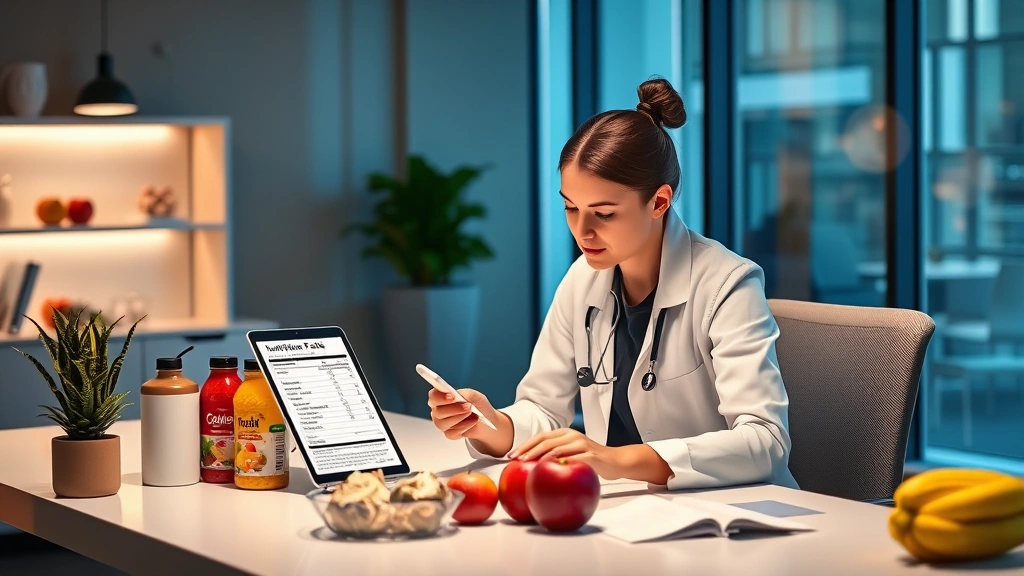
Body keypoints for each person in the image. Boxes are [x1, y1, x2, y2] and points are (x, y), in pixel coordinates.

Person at [427, 78, 798, 490]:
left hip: (734, 517)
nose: (581, 231)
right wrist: (488, 423)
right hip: (632, 510)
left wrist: (616, 459)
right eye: (571, 208)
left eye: (603, 214)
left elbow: (765, 442)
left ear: (659, 202)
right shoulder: (582, 280)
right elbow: (543, 409)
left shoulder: (728, 283)